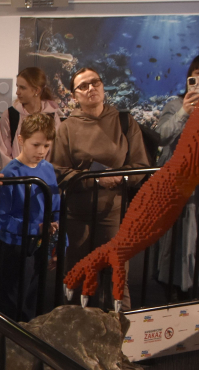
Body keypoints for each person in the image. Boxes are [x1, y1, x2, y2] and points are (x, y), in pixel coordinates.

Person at [50, 66, 151, 310]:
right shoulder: (67, 128)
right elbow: (58, 171)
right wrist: (94, 179)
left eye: (95, 82)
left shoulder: (124, 122)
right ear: (74, 95)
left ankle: (119, 327)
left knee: (116, 276)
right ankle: (74, 326)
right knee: (76, 276)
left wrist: (118, 178)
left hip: (114, 213)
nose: (90, 88)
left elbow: (140, 166)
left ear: (103, 86)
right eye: (83, 86)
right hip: (77, 215)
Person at [153, 54, 199, 293]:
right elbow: (161, 136)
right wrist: (184, 111)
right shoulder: (175, 104)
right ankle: (174, 284)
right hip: (180, 181)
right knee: (180, 231)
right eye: (198, 73)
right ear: (189, 78)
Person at [0, 113, 61, 321]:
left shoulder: (48, 169)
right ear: (21, 140)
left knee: (33, 299)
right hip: (15, 246)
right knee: (11, 300)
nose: (41, 151)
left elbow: (56, 208)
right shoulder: (10, 173)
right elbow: (1, 218)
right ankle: (6, 338)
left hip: (39, 245)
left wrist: (58, 245)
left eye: (46, 145)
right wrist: (35, 228)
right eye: (36, 145)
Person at [0, 66, 62, 166]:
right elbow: (3, 152)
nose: (17, 92)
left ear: (36, 90)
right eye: (17, 87)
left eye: (22, 88)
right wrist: (16, 172)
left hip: (43, 173)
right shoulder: (10, 115)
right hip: (15, 173)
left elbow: (55, 150)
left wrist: (44, 170)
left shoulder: (52, 116)